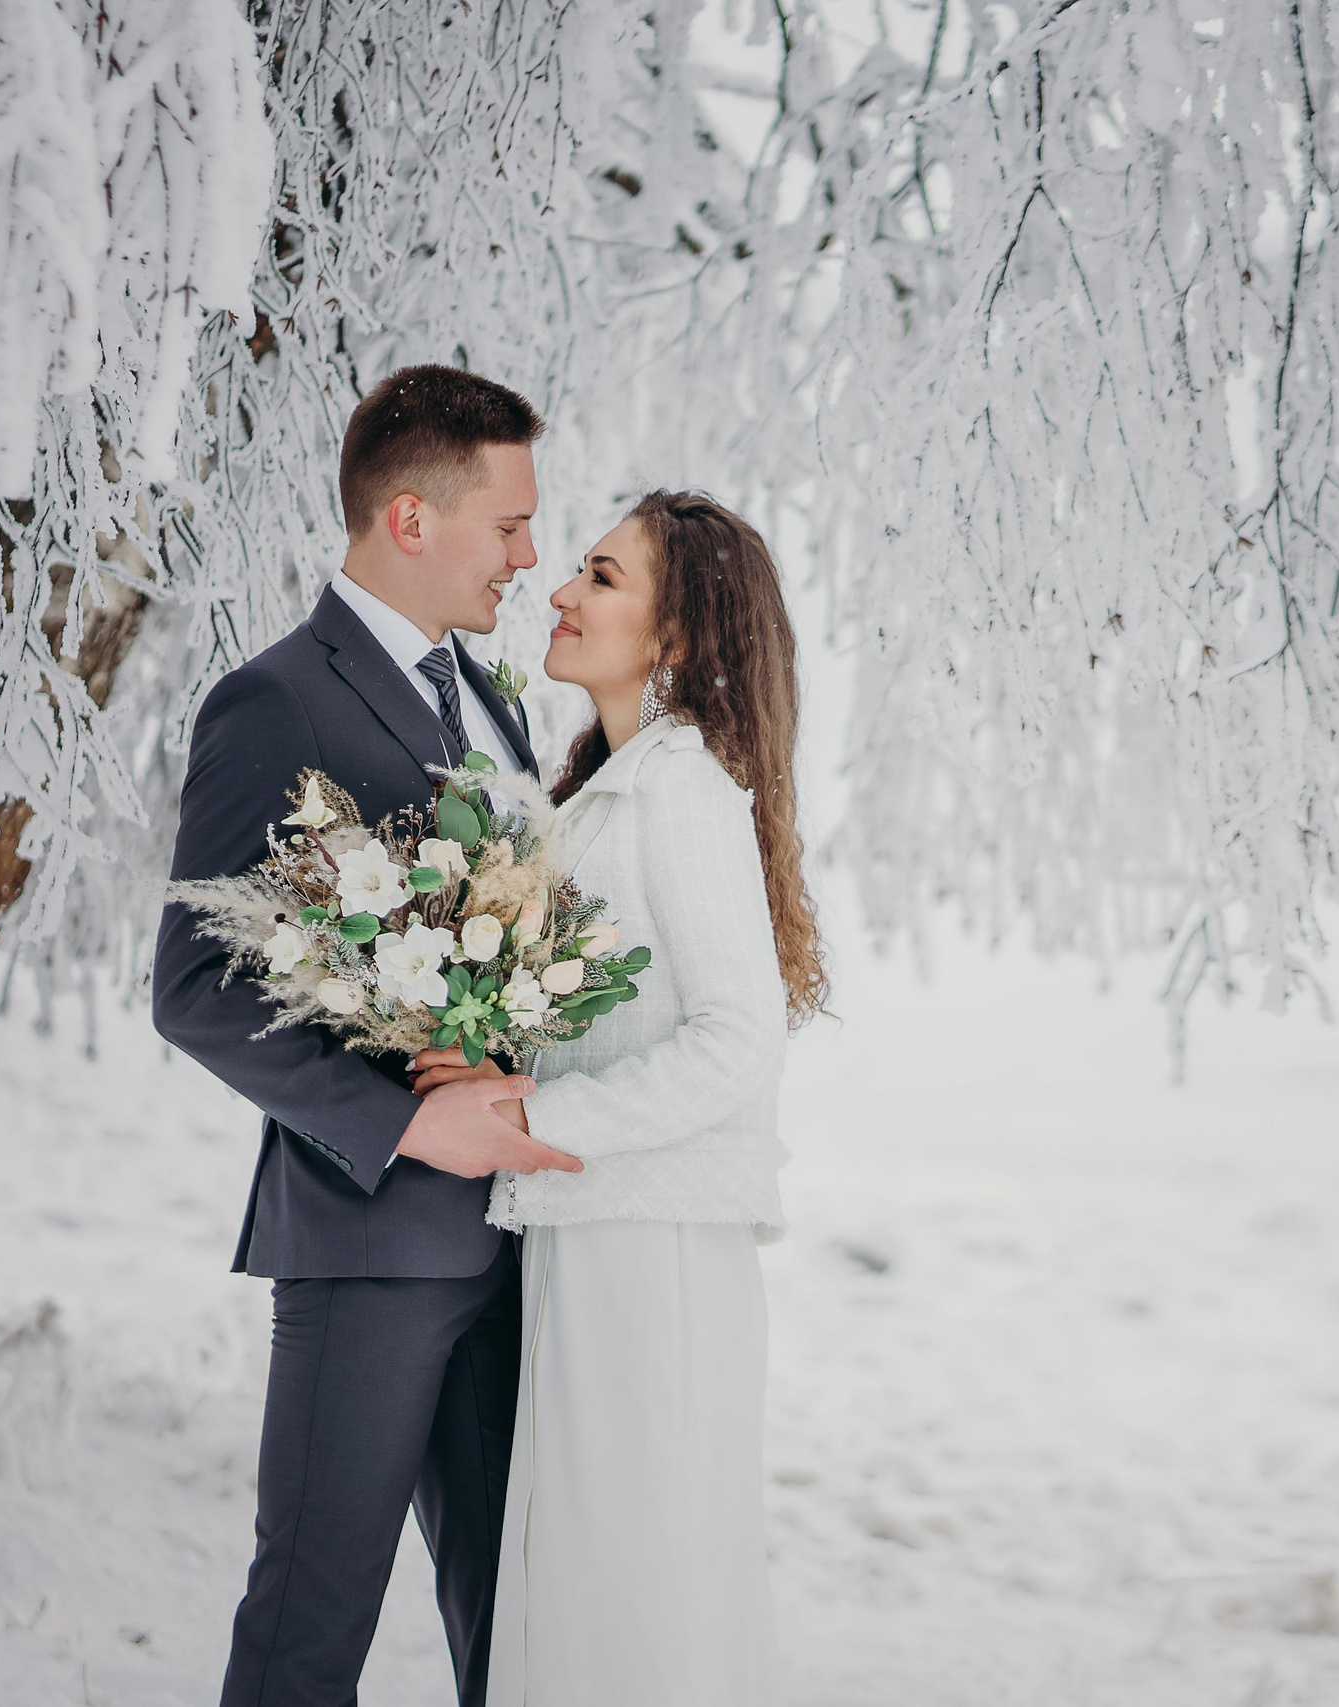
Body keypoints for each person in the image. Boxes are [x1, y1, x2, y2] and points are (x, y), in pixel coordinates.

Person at [151, 365, 584, 1707]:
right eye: (507, 525)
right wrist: (406, 1119)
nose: (530, 555)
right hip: (366, 1239)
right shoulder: (276, 700)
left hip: (512, 1243)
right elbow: (194, 985)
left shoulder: (491, 696)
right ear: (409, 519)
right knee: (309, 1625)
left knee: (515, 1631)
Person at [408, 490, 827, 1706]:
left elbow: (737, 1040)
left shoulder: (680, 790)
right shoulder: (610, 783)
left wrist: (531, 1121)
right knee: (588, 1589)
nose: (559, 592)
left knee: (636, 1596)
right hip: (597, 1238)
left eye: (600, 576)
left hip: (652, 1253)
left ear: (678, 635)